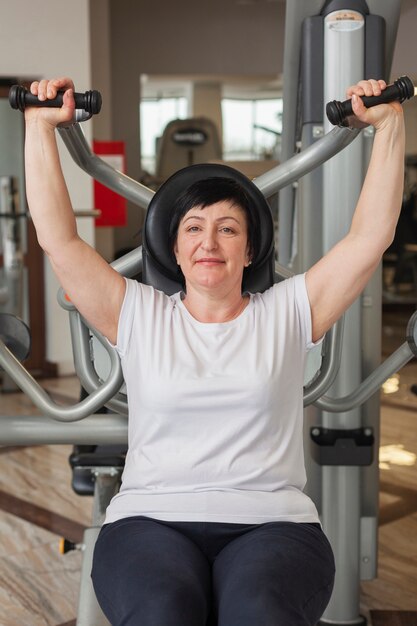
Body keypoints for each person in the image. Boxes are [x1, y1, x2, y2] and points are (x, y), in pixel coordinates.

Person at [24, 77, 405, 626]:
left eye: (228, 229)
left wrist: (390, 126)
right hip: (150, 521)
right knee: (162, 611)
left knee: (259, 611)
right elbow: (58, 239)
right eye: (194, 228)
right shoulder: (137, 313)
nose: (209, 242)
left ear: (250, 250)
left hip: (274, 525)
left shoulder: (289, 310)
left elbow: (371, 236)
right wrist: (39, 128)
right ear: (173, 248)